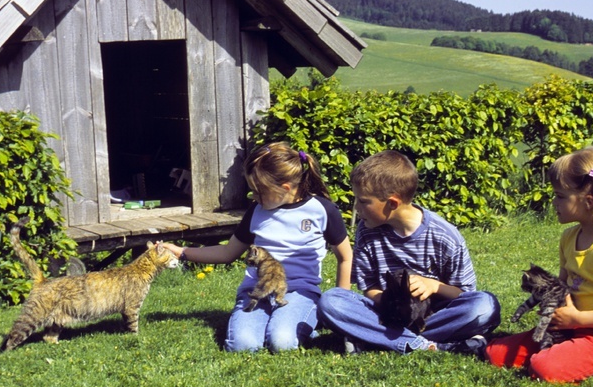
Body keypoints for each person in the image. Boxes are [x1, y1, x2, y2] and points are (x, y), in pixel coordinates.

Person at [162, 142, 352, 352]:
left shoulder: (322, 210)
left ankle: (305, 320)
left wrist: (339, 307)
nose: (254, 197)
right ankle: (287, 324)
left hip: (299, 292)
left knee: (281, 343)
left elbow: (345, 257)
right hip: (257, 291)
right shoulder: (256, 211)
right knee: (242, 345)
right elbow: (227, 252)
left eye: (259, 192)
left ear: (284, 188)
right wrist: (182, 252)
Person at [484, 146, 593, 383]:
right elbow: (562, 286)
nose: (553, 202)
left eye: (560, 196)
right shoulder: (569, 237)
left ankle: (570, 356)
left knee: (544, 368)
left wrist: (577, 319)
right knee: (494, 353)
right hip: (570, 327)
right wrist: (552, 304)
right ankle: (564, 351)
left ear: (588, 200)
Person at [318, 150, 500, 355]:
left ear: (392, 203)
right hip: (387, 315)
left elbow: (464, 294)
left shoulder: (445, 235)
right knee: (331, 301)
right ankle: (427, 344)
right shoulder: (367, 231)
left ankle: (374, 338)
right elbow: (370, 288)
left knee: (485, 306)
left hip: (432, 316)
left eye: (363, 201)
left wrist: (433, 286)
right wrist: (393, 302)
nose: (356, 208)